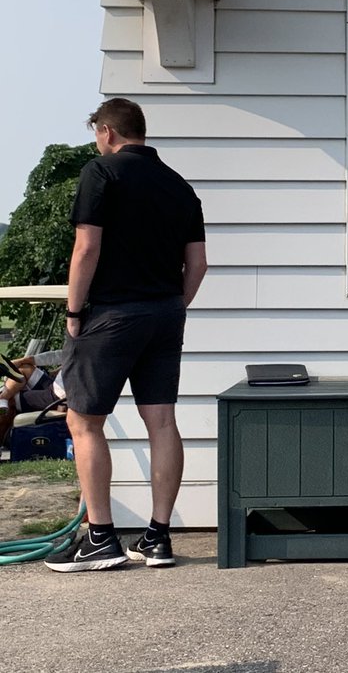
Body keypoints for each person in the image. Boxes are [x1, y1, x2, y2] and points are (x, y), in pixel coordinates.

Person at [44, 98, 207, 573]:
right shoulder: (180, 186)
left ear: (108, 132)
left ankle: (100, 539)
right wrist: (173, 306)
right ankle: (157, 539)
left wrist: (74, 311)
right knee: (161, 423)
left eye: (97, 132)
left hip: (111, 314)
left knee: (84, 422)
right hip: (165, 314)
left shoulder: (102, 172)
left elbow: (86, 246)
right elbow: (198, 264)